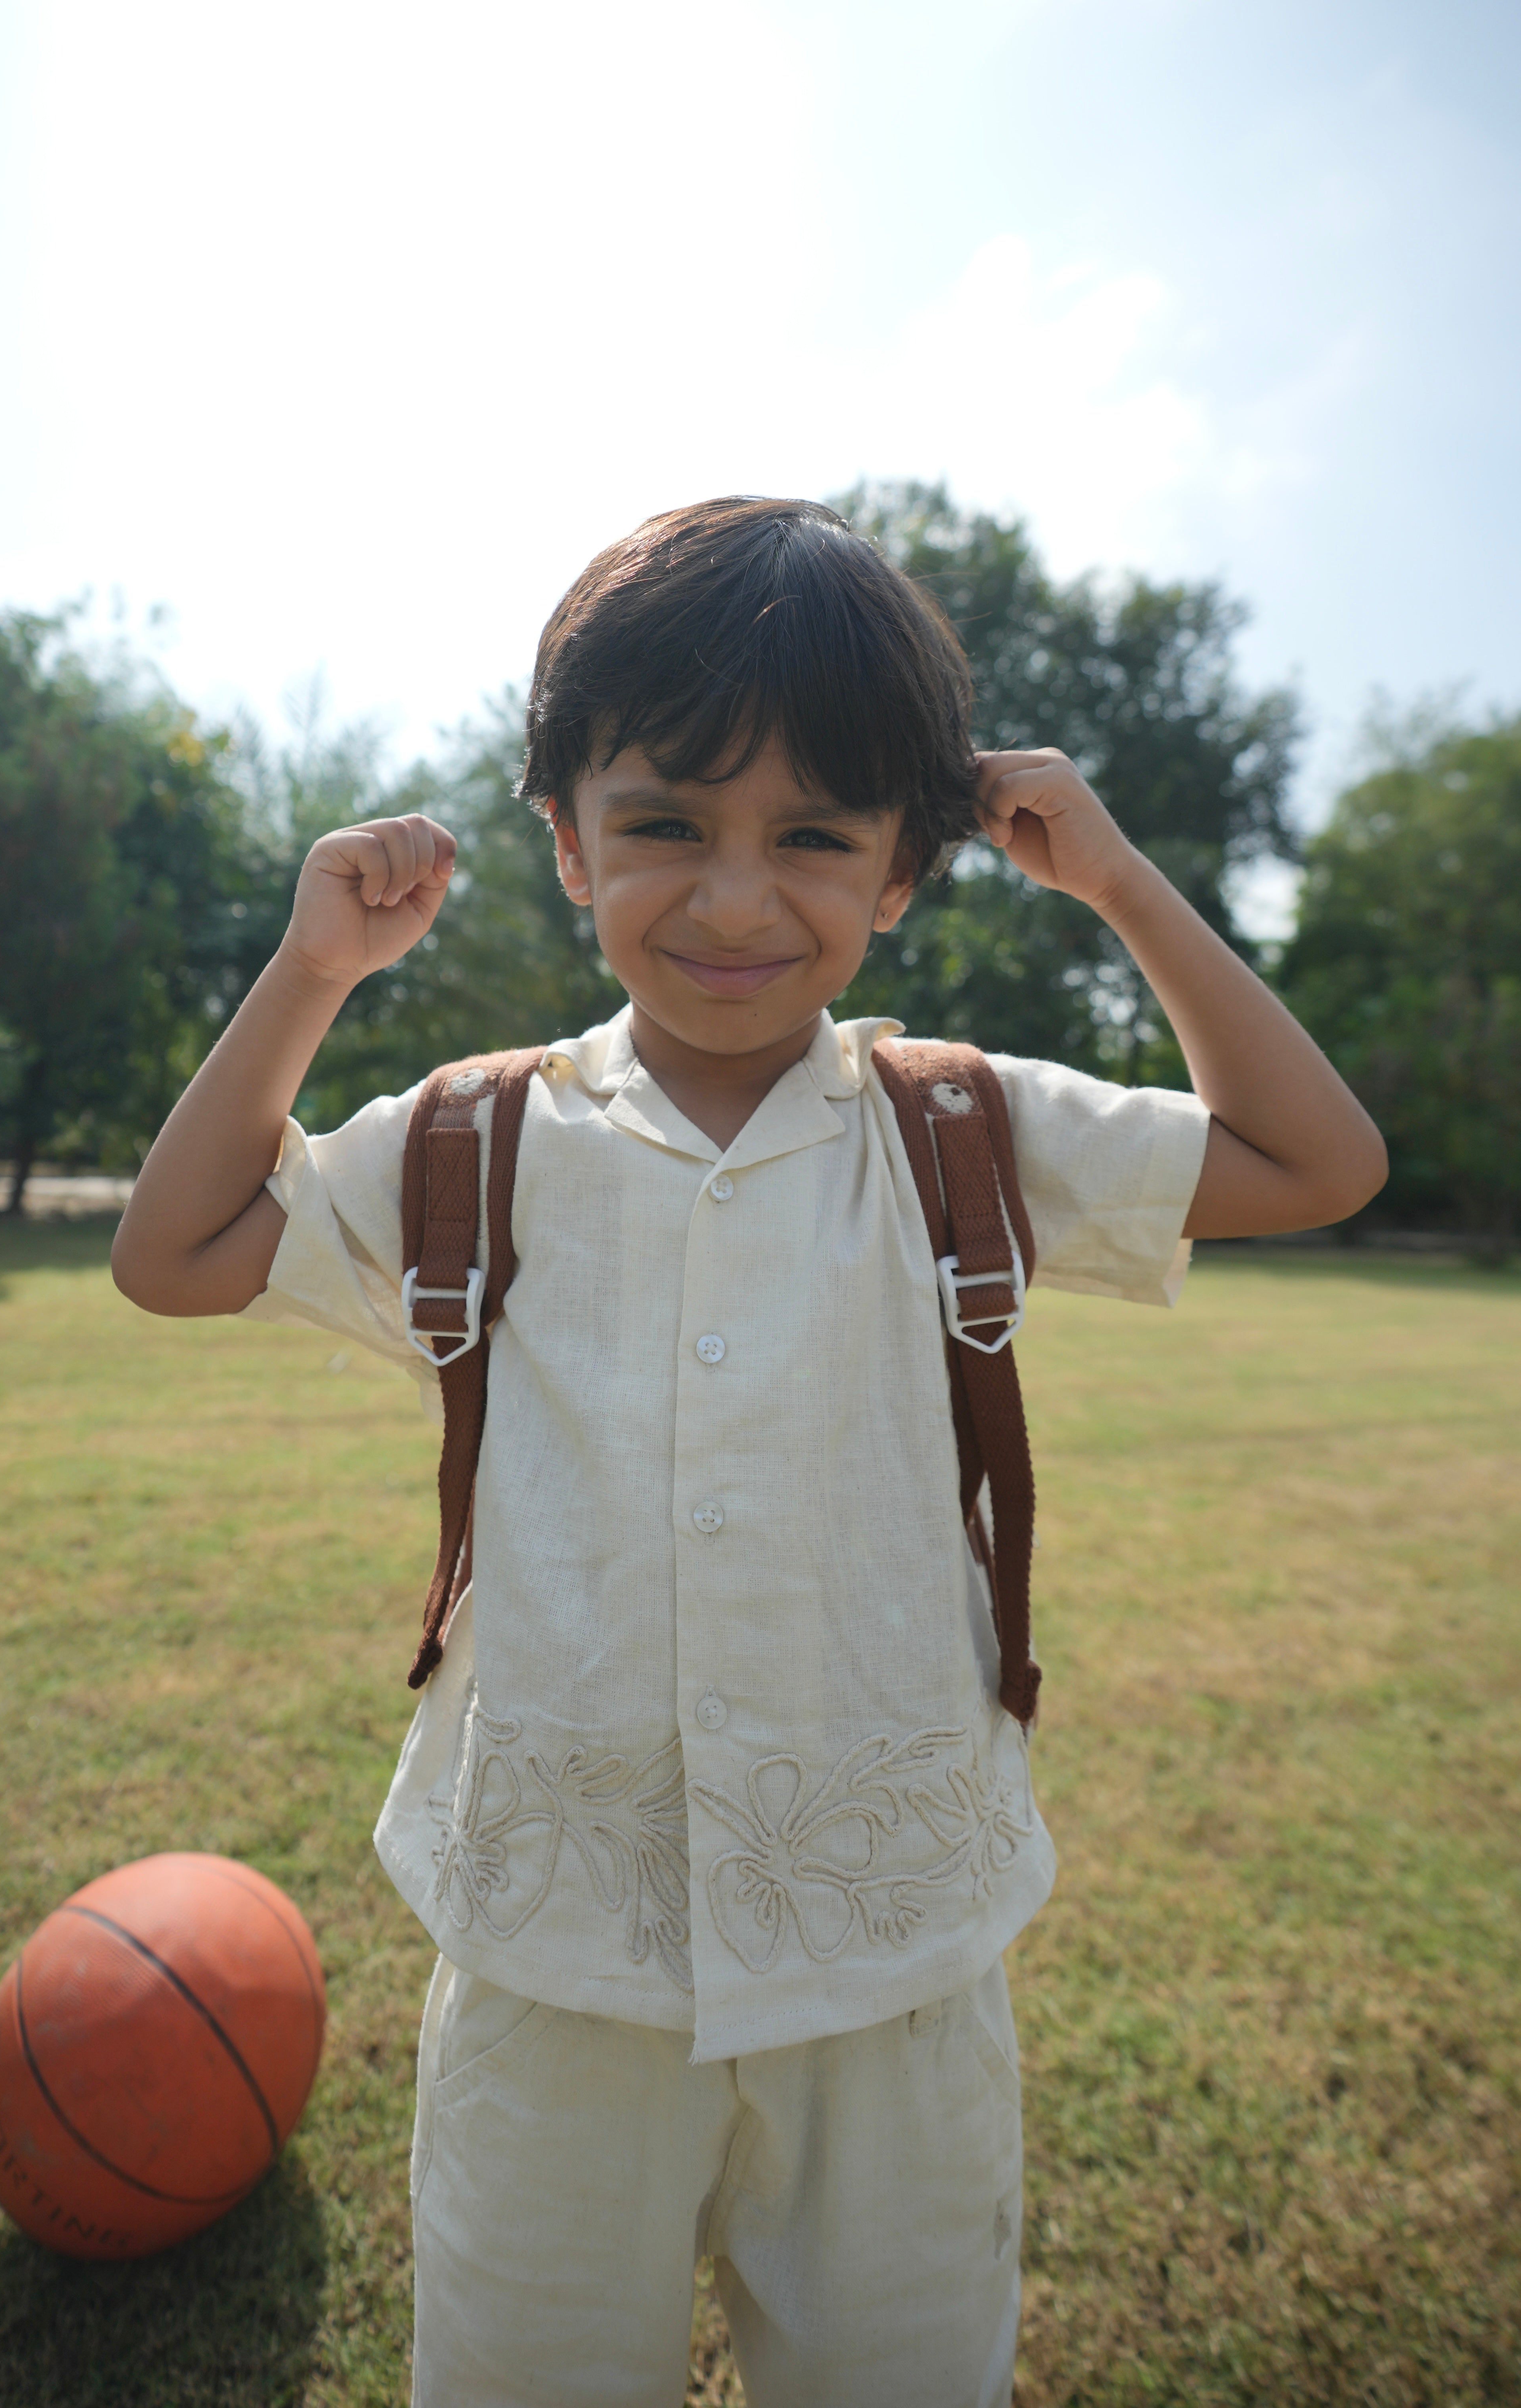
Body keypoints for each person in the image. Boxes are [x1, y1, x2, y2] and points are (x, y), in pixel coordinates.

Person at [111, 496, 1386, 2408]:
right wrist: (312, 980)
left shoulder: (966, 1130)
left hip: (893, 1963)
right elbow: (175, 1254)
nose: (730, 897)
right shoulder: (475, 1140)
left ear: (902, 875)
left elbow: (1320, 1160)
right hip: (554, 1965)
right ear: (566, 842)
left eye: (812, 836)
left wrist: (1119, 884)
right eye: (665, 827)